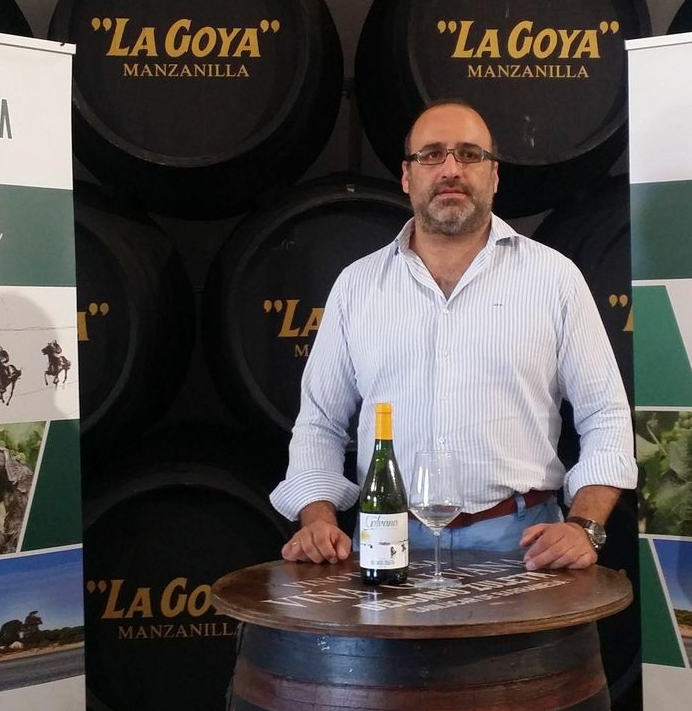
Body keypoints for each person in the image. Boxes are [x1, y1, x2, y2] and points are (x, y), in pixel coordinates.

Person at [270, 100, 636, 571]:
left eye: (469, 154)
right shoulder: (357, 286)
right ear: (407, 176)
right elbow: (319, 423)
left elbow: (605, 415)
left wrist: (584, 526)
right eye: (431, 154)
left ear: (494, 176)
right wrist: (317, 518)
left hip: (523, 544)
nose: (450, 169)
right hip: (386, 537)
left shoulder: (554, 278)